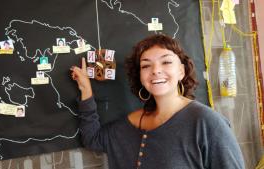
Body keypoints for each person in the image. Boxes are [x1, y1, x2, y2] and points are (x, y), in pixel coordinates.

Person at [70, 34, 245, 169]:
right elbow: (93, 138)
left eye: (166, 62)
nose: (155, 70)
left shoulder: (207, 123)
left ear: (181, 72)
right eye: (146, 65)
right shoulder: (130, 124)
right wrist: (86, 89)